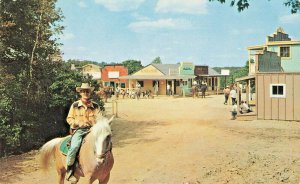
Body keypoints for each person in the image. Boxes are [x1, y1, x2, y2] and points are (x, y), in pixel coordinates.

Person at [66, 83, 101, 181]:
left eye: (87, 91)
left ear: (90, 93)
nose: (86, 93)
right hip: (80, 130)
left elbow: (100, 119)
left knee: (105, 143)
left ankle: (103, 167)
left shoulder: (95, 106)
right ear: (80, 93)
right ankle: (70, 170)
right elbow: (69, 119)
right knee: (74, 147)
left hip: (93, 130)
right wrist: (78, 123)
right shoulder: (75, 105)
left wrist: (96, 123)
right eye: (83, 91)